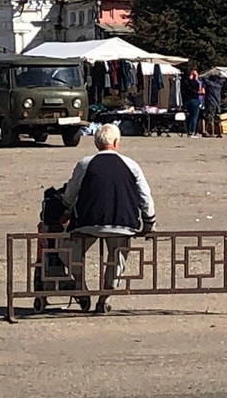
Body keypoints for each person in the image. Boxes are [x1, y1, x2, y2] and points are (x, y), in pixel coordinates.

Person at [61, 123, 156, 314]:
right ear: (116, 142)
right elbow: (146, 198)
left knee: (68, 250)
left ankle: (82, 288)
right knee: (117, 258)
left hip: (88, 221)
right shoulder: (131, 165)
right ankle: (104, 299)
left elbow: (70, 195)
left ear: (97, 143)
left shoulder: (85, 164)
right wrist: (149, 223)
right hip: (123, 223)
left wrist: (66, 210)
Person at [201, 73, 224, 137]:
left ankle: (212, 133)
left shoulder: (210, 84)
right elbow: (222, 79)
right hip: (218, 104)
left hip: (211, 103)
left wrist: (208, 73)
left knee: (210, 118)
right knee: (218, 118)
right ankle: (219, 133)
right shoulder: (219, 85)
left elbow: (203, 78)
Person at [181, 69, 202, 137]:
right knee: (194, 117)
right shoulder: (195, 83)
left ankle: (189, 131)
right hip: (194, 100)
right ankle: (192, 131)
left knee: (190, 116)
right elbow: (196, 89)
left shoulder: (184, 82)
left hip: (187, 101)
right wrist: (195, 79)